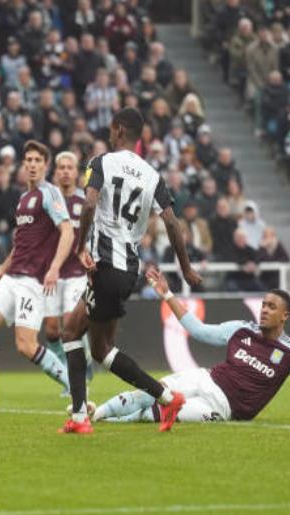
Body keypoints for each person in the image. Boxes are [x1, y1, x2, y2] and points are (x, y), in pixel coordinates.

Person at [59, 107, 202, 434]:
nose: (109, 134)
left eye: (111, 129)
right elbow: (171, 222)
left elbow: (90, 203)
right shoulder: (153, 175)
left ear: (120, 130)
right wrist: (187, 269)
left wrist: (81, 247)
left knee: (92, 345)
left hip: (105, 265)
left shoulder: (101, 162)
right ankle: (81, 417)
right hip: (127, 271)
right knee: (79, 334)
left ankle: (164, 398)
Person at [94, 268, 290, 425]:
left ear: (285, 316)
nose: (264, 310)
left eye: (272, 307)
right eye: (263, 304)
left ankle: (110, 420)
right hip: (204, 377)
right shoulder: (241, 330)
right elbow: (197, 329)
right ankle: (98, 413)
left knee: (154, 414)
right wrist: (167, 294)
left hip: (224, 408)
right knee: (151, 391)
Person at [0, 140, 73, 412]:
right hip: (12, 278)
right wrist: (1, 268)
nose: (32, 165)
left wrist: (55, 267)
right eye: (28, 160)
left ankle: (75, 384)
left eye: (37, 160)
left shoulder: (50, 193)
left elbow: (67, 231)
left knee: (25, 345)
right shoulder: (23, 199)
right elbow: (21, 243)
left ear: (45, 165)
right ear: (23, 165)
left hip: (32, 281)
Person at [42, 151, 90, 378]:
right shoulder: (47, 200)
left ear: (76, 172)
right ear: (55, 172)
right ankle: (65, 368)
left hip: (76, 274)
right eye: (61, 167)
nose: (65, 171)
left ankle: (77, 372)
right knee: (51, 329)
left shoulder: (85, 202)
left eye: (70, 167)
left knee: (71, 324)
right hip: (52, 273)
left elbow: (92, 235)